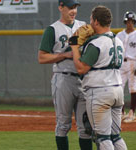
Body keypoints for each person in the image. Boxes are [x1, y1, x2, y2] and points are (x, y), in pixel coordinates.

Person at [70, 5, 127, 150]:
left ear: (96, 22)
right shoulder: (118, 40)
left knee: (102, 138)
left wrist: (74, 46)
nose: (89, 23)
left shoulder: (96, 43)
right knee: (116, 136)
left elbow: (81, 68)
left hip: (100, 92)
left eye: (91, 19)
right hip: (118, 91)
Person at [38, 0, 92, 150]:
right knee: (63, 125)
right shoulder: (53, 29)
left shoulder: (84, 26)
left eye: (75, 7)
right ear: (61, 7)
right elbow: (42, 58)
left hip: (83, 79)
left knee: (86, 127)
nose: (73, 11)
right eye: (70, 7)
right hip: (63, 78)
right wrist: (64, 55)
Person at [116, 11, 136, 123]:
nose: (129, 23)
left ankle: (132, 112)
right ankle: (121, 112)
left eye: (131, 21)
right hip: (121, 63)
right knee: (119, 87)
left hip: (132, 62)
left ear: (134, 22)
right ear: (125, 22)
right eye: (128, 21)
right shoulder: (119, 35)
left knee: (133, 87)